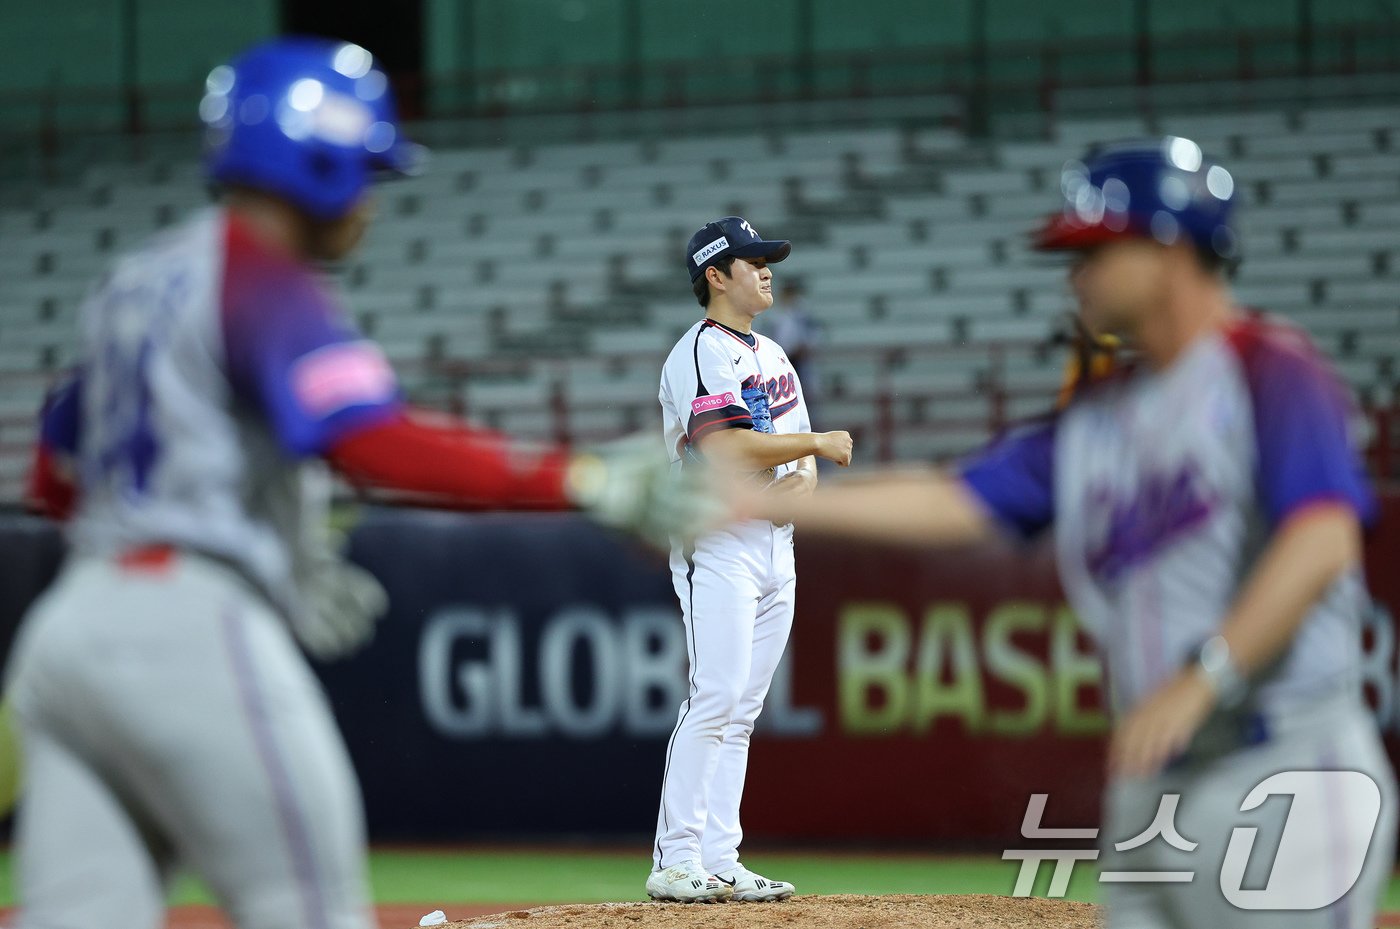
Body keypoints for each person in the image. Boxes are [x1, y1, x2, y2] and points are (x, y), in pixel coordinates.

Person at [12, 37, 677, 929]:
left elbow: (53, 481)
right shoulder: (261, 272)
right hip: (189, 625)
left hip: (65, 635)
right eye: (362, 169)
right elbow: (374, 442)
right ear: (314, 158)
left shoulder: (133, 282)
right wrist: (585, 479)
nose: (368, 197)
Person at [755, 140, 1397, 928]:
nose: (1075, 272)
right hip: (1156, 779)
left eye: (1095, 249)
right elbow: (955, 496)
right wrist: (762, 503)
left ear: (1167, 249)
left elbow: (1323, 537)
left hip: (1288, 765)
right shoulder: (1096, 421)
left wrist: (1205, 676)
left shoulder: (1272, 370)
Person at [646, 216, 853, 903]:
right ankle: (675, 857)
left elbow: (796, 449)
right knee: (716, 693)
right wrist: (818, 446)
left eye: (768, 260)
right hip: (719, 539)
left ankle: (720, 856)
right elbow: (727, 448)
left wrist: (806, 478)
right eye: (753, 260)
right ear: (715, 274)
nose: (767, 270)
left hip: (774, 542)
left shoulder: (773, 353)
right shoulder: (702, 350)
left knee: (744, 705)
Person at [764, 279, 821, 402]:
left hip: (800, 358)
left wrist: (807, 346)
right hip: (779, 358)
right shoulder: (774, 313)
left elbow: (814, 333)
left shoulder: (803, 311)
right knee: (782, 392)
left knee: (804, 392)